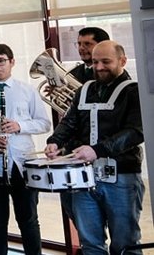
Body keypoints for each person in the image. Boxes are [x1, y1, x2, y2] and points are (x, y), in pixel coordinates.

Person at [44, 40, 144, 255]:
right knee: (90, 244)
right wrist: (54, 141)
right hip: (84, 177)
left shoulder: (134, 91)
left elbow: (136, 132)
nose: (98, 67)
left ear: (123, 61)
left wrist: (97, 150)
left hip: (122, 178)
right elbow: (69, 122)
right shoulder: (85, 90)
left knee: (126, 244)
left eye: (106, 62)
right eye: (95, 62)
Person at [0, 44, 51, 255]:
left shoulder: (26, 90)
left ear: (12, 62)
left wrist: (20, 126)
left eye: (1, 60)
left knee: (28, 219)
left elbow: (44, 123)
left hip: (22, 164)